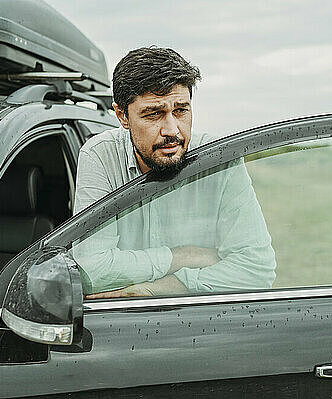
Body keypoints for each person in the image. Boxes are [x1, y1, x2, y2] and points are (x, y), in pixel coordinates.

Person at [72, 47, 276, 298]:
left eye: (181, 110)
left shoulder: (219, 160)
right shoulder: (100, 156)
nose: (172, 130)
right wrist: (182, 256)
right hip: (116, 326)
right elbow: (92, 270)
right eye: (154, 114)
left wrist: (163, 287)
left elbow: (257, 268)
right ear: (122, 115)